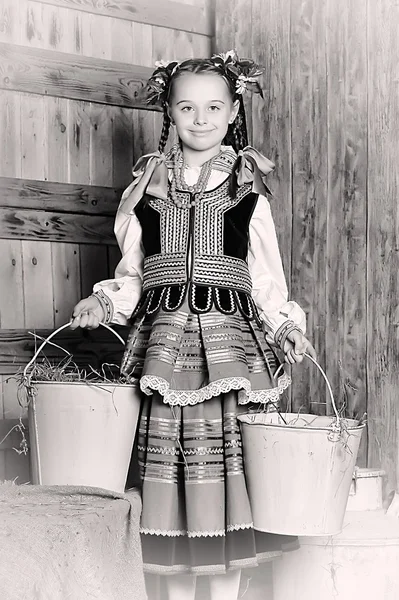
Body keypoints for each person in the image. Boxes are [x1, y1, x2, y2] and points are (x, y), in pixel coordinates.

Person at [71, 50, 316, 600]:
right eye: (187, 107)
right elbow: (134, 274)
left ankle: (226, 592)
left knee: (228, 476)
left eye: (213, 107)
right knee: (170, 479)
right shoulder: (147, 188)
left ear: (233, 112)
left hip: (230, 351)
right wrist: (104, 304)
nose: (200, 119)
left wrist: (284, 325)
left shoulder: (247, 187)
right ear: (169, 111)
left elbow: (266, 277)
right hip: (165, 351)